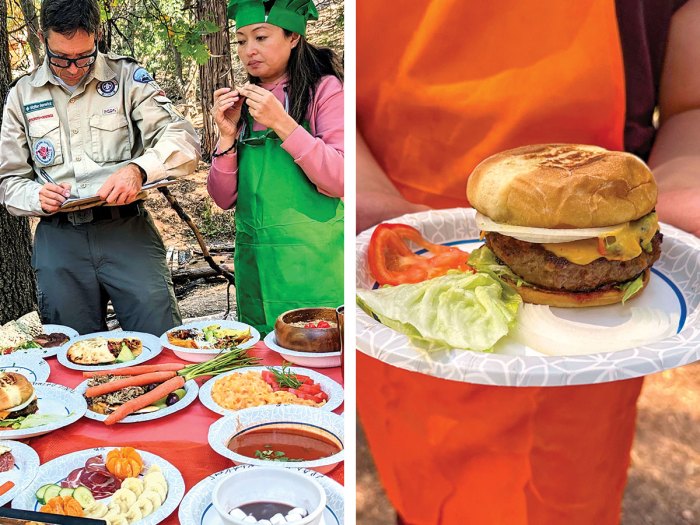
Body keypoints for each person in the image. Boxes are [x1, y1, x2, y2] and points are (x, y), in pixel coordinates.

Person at [357, 1, 700, 524]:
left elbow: (692, 102)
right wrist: (364, 195)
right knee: (429, 490)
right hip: (420, 264)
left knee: (566, 494)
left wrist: (680, 181)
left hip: (602, 341)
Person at [0, 0, 201, 335]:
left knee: (162, 342)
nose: (74, 69)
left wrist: (139, 169)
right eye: (61, 58)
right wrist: (36, 196)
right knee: (70, 352)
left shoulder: (127, 78)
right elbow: (8, 180)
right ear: (42, 37)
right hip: (59, 238)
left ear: (98, 35)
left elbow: (184, 140)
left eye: (83, 57)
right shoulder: (22, 95)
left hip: (127, 229)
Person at [207, 0, 343, 334]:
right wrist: (226, 136)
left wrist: (284, 124)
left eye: (261, 37)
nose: (248, 50)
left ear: (293, 37)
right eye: (241, 40)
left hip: (314, 265)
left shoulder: (324, 91)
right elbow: (223, 198)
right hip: (257, 267)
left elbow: (340, 179)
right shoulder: (244, 103)